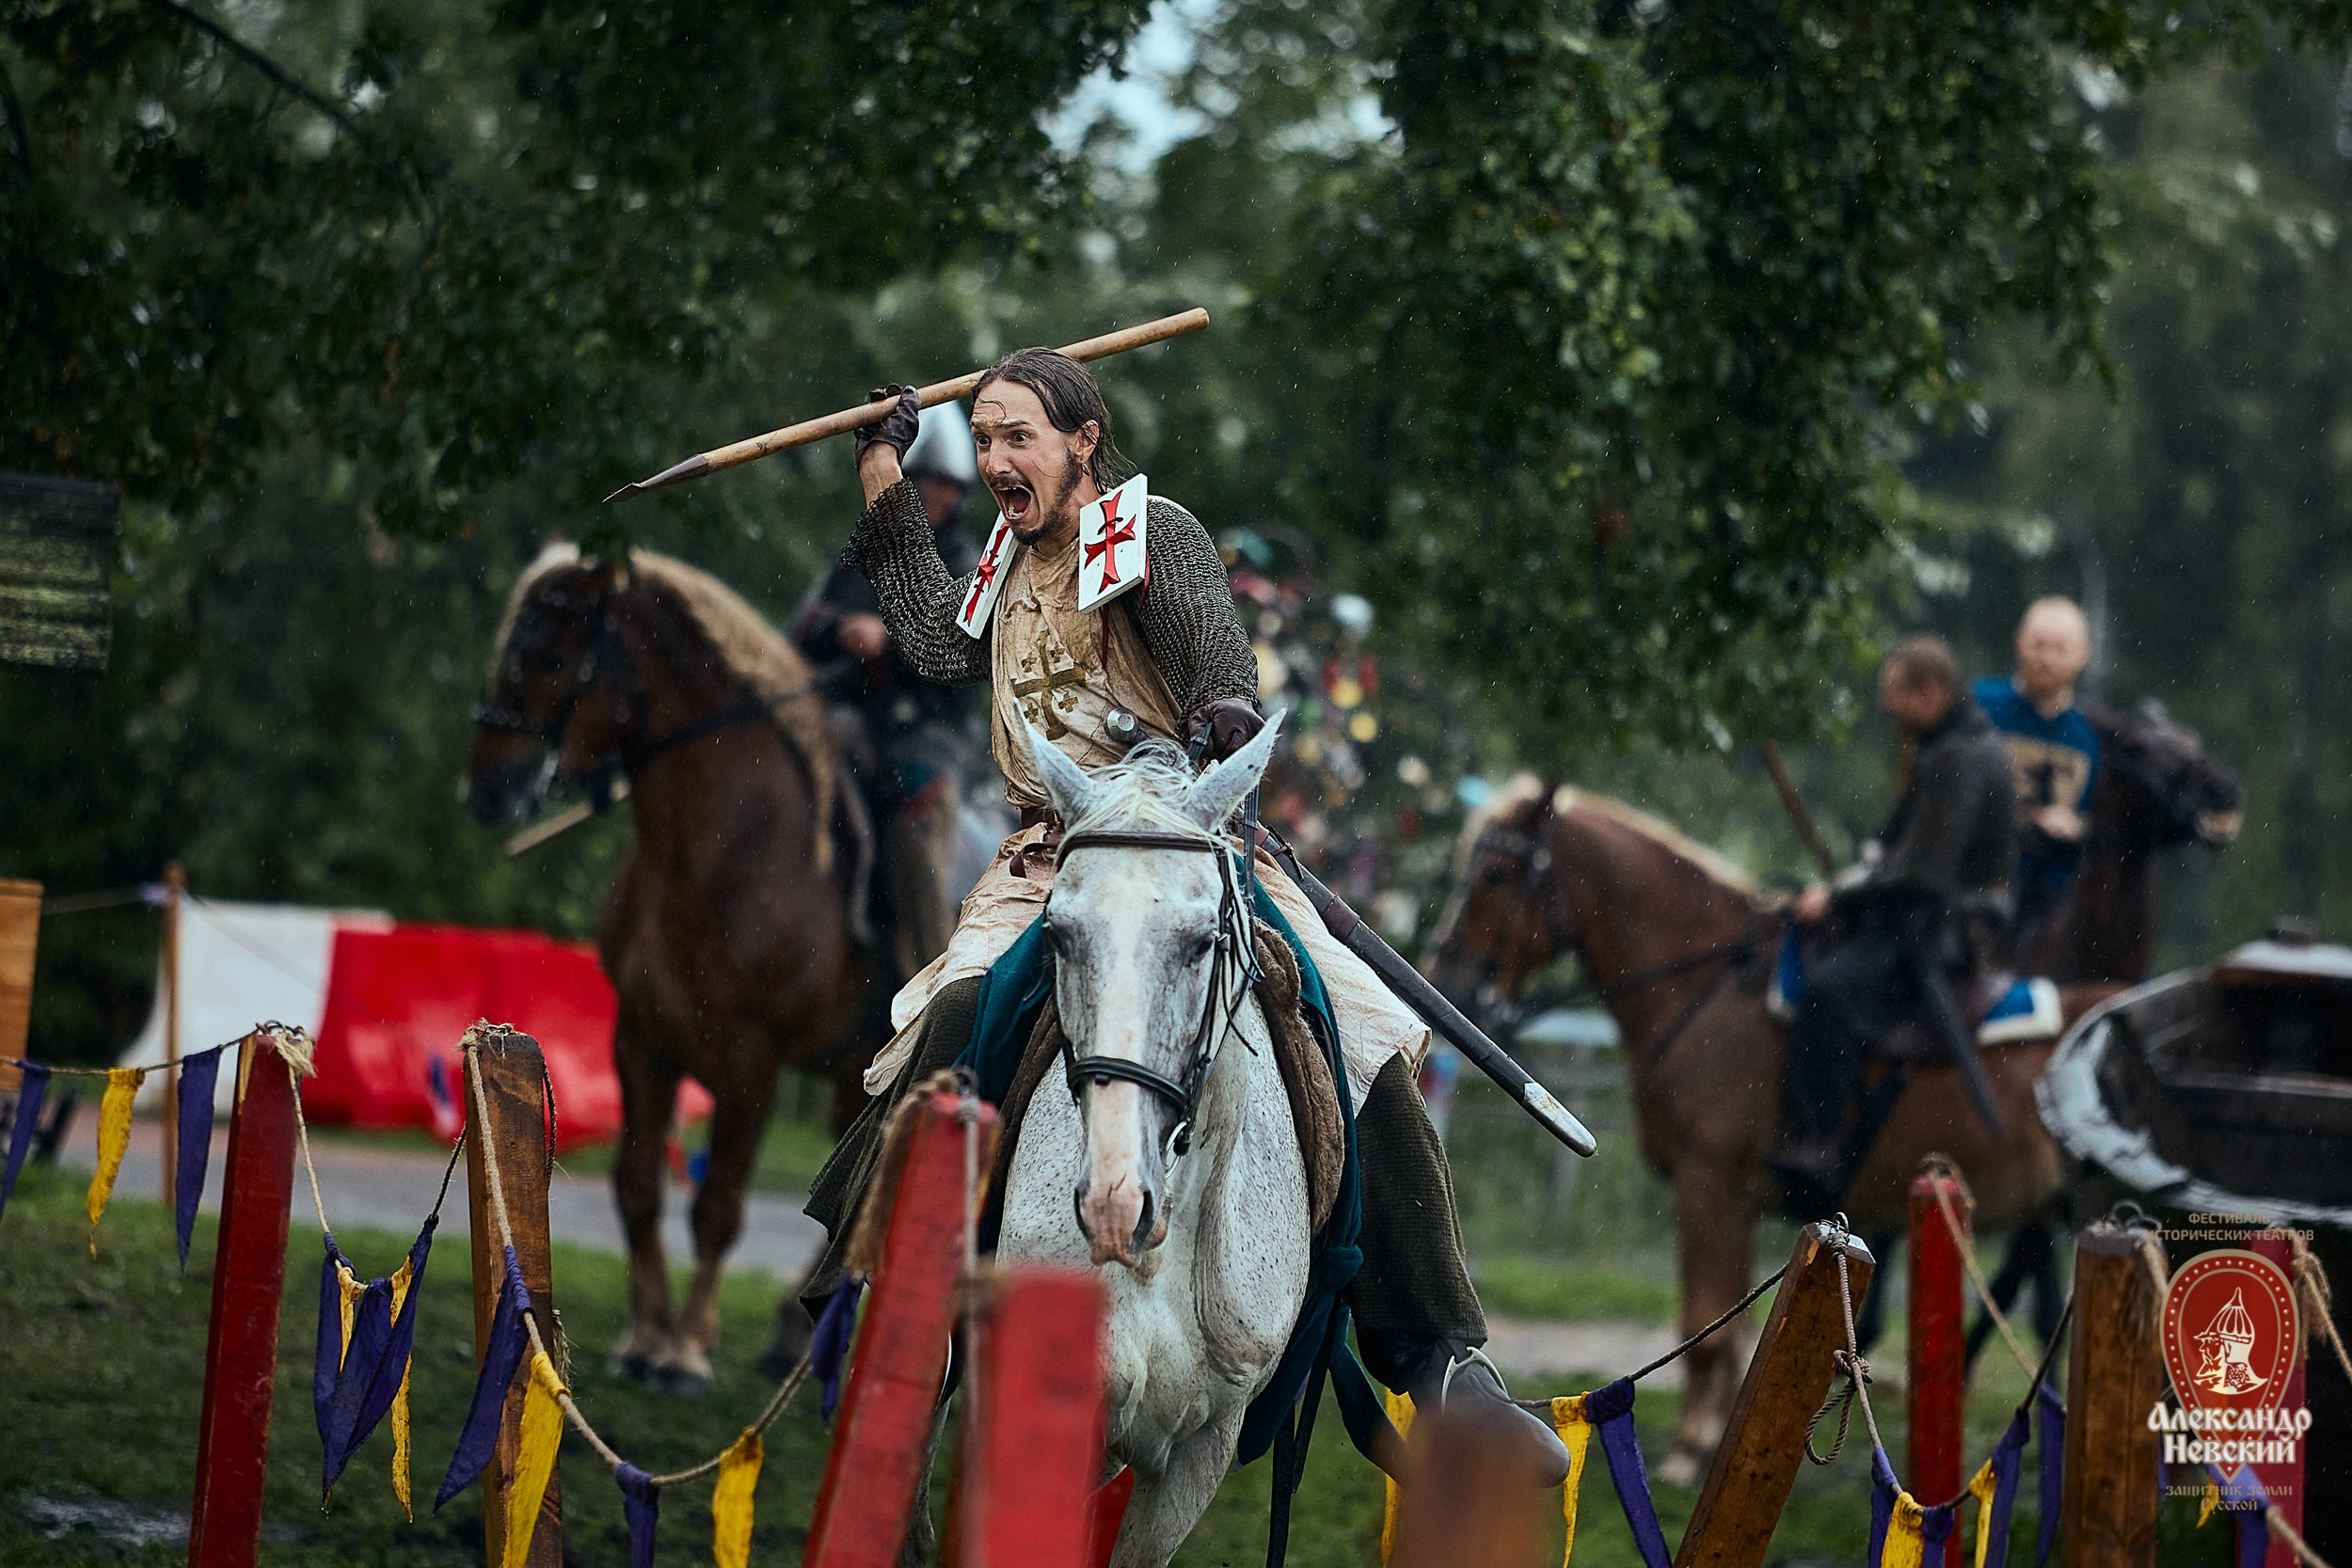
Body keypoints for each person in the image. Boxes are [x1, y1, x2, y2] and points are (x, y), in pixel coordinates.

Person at [800, 348, 1568, 1477]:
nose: (1003, 458)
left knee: (1363, 1040)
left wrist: (1220, 701)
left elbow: (1208, 629)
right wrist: (879, 462)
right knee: (955, 1018)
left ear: (1082, 440)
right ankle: (873, 1297)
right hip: (1047, 862)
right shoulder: (1004, 559)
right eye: (989, 436)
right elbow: (925, 638)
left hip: (1179, 845)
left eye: (1023, 435)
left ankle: (1444, 1360)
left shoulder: (1145, 530)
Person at [1773, 636, 2018, 1202]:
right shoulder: (1947, 744)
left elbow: (1923, 876)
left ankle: (1820, 1144)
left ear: (1929, 693)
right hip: (1919, 915)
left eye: (1895, 696)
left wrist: (1835, 900)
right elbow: (1894, 850)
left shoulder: (1959, 756)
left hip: (1939, 932)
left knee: (1830, 993)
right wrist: (1848, 880)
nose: (1887, 709)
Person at [792, 404, 985, 982]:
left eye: (946, 486)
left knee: (912, 825)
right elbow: (804, 630)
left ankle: (937, 988)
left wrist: (891, 639)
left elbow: (959, 648)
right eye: (921, 481)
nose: (934, 496)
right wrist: (838, 632)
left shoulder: (964, 560)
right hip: (847, 723)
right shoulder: (861, 551)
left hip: (927, 735)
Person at [1971, 597, 2100, 945]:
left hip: (2058, 902)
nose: (2047, 658)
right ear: (2019, 642)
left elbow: (2104, 821)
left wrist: (2077, 827)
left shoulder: (2094, 734)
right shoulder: (1978, 706)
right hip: (1977, 885)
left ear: (2083, 654)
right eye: (2039, 645)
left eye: (2060, 648)